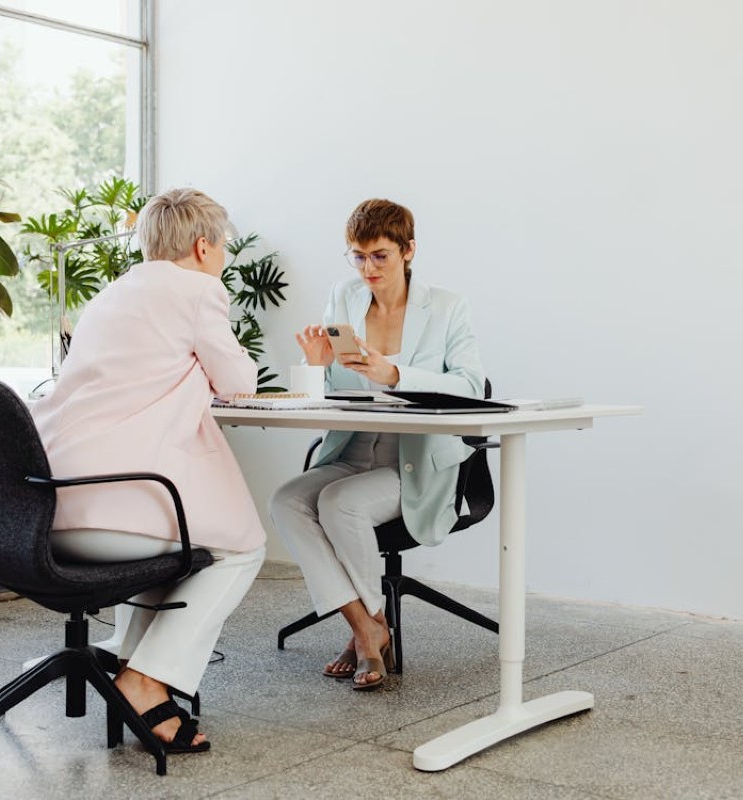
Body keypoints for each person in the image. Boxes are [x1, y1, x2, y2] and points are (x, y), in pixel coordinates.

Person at [32, 187, 266, 753]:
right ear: (205, 246)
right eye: (225, 244)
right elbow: (239, 382)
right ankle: (144, 681)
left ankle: (133, 664)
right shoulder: (199, 291)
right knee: (243, 548)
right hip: (116, 507)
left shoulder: (112, 294)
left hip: (49, 504)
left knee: (182, 546)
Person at [269, 198, 485, 690]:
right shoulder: (344, 297)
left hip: (416, 461)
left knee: (339, 503)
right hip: (352, 450)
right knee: (285, 499)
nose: (368, 268)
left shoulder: (447, 307)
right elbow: (331, 393)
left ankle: (364, 634)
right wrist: (316, 367)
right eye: (358, 256)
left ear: (408, 251)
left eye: (380, 256)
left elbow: (472, 384)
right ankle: (368, 625)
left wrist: (395, 373)